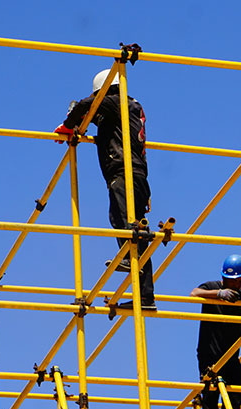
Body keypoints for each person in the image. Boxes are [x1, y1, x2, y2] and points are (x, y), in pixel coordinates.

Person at [54, 69, 155, 310]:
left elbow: (87, 105)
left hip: (124, 172)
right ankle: (146, 295)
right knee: (134, 227)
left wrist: (69, 124)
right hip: (135, 174)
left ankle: (130, 261)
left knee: (125, 222)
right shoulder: (125, 108)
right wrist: (80, 123)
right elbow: (98, 118)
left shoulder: (116, 102)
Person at [190, 254, 241, 409]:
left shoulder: (240, 294)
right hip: (209, 352)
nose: (234, 284)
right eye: (230, 280)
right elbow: (194, 293)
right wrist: (218, 294)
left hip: (231, 354)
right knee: (211, 390)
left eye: (237, 281)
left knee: (235, 391)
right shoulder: (212, 287)